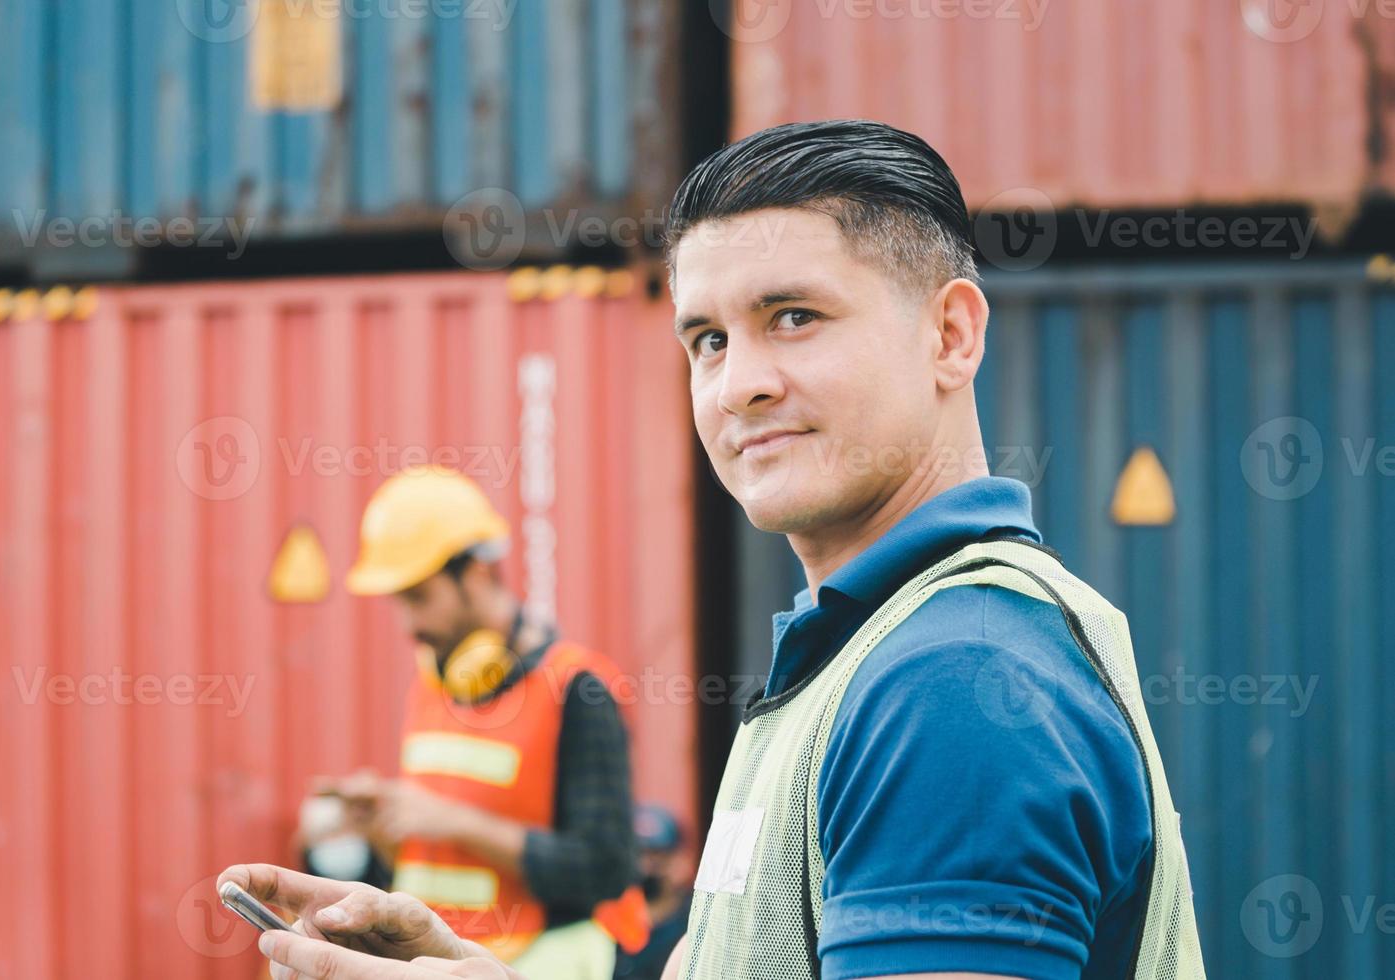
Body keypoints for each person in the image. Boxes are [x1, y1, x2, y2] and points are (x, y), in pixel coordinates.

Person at [225, 119, 1207, 980]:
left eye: (793, 317)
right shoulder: (847, 660)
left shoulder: (951, 677)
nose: (738, 383)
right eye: (705, 338)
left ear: (949, 333)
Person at [298, 465, 645, 980]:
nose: (409, 624)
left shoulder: (577, 688)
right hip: (437, 963)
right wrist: (385, 825)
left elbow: (604, 868)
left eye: (419, 597)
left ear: (476, 572)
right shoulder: (431, 684)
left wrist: (448, 819)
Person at [612, 805, 692, 980]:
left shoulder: (692, 923)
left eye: (656, 855)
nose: (645, 866)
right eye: (638, 853)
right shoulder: (608, 922)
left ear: (678, 859)